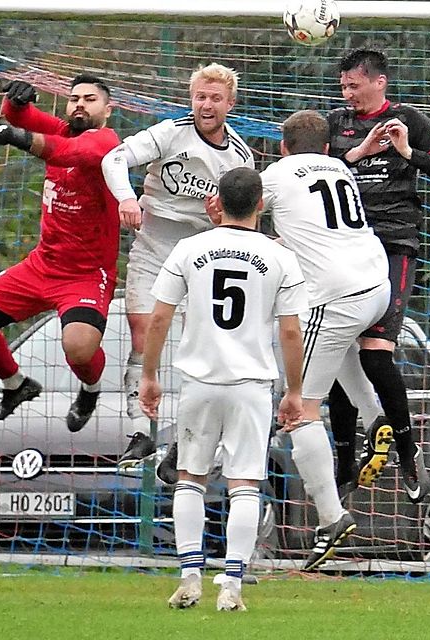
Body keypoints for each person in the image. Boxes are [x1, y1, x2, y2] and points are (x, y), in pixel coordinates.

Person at [139, 166, 307, 612]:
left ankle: (190, 576)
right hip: (251, 384)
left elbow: (159, 317)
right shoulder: (280, 257)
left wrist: (150, 375)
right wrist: (295, 390)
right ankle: (231, 584)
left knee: (190, 478)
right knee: (245, 483)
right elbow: (291, 332)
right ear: (260, 204)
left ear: (217, 199)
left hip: (199, 382)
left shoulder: (190, 249)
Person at [326, 48, 430, 503]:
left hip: (393, 245)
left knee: (375, 354)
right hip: (343, 247)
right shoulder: (335, 124)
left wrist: (408, 151)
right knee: (335, 356)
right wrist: (359, 152)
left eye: (354, 85)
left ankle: (407, 452)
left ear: (379, 82)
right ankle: (344, 462)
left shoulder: (410, 119)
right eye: (344, 86)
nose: (348, 94)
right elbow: (315, 170)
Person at [101, 63, 255, 467]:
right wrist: (126, 198)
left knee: (197, 345)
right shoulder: (170, 132)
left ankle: (185, 437)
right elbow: (114, 160)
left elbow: (243, 216)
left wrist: (220, 218)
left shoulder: (241, 154)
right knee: (143, 329)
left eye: (215, 98)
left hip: (203, 255)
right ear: (192, 98)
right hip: (153, 245)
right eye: (200, 96)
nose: (206, 105)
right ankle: (140, 431)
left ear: (230, 103)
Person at [260, 110, 392, 571]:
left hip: (335, 295)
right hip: (377, 284)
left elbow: (238, 209)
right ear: (326, 147)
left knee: (298, 411)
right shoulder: (338, 168)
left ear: (283, 146)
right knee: (337, 352)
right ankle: (377, 419)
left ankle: (331, 519)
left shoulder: (276, 174)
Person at [0, 73, 121, 432]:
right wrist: (16, 102)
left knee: (78, 348)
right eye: (74, 98)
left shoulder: (107, 142)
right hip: (40, 266)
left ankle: (90, 389)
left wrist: (7, 134)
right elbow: (21, 118)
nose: (80, 104)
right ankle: (15, 384)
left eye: (90, 99)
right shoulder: (63, 129)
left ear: (108, 110)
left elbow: (65, 152)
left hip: (84, 275)